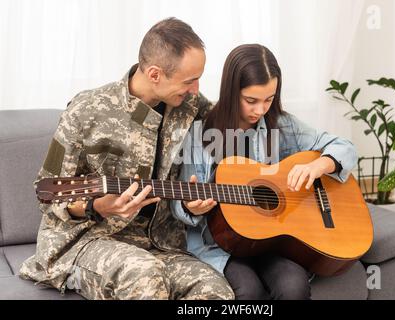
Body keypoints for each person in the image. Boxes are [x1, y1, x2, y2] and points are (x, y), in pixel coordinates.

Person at [19, 17, 234, 300]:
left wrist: (312, 160)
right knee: (143, 275)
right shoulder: (87, 110)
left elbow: (240, 122)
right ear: (155, 74)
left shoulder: (190, 106)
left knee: (215, 290)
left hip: (159, 244)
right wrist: (96, 206)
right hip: (87, 240)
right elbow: (46, 191)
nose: (195, 89)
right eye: (189, 80)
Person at [171, 44, 358, 300]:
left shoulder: (281, 125)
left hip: (274, 241)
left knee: (294, 286)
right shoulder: (200, 134)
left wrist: (318, 166)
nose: (260, 110)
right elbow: (181, 206)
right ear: (230, 92)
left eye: (269, 99)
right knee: (248, 291)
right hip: (223, 244)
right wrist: (191, 208)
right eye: (251, 100)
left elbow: (344, 147)